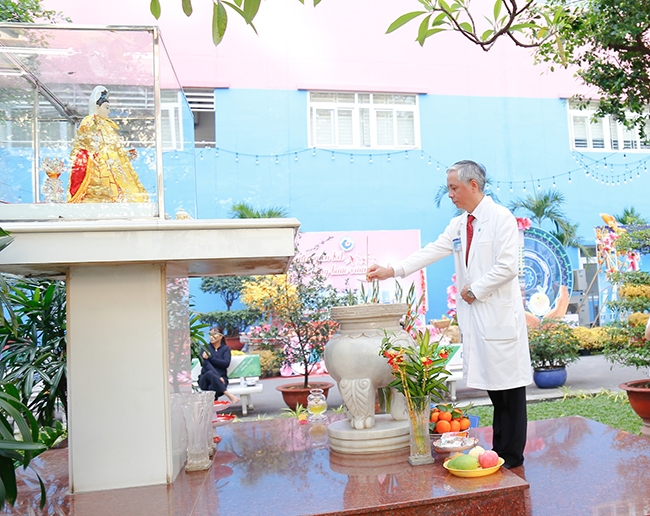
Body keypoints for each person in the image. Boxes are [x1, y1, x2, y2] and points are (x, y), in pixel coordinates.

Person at [367, 159, 532, 469]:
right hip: (479, 320)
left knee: (510, 391)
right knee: (496, 391)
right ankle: (499, 452)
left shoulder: (501, 218)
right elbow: (431, 251)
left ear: (473, 185)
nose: (451, 195)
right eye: (449, 189)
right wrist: (393, 270)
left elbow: (508, 266)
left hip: (498, 317)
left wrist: (475, 289)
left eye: (454, 188)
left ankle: (512, 456)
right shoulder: (459, 224)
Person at [67, 85, 149, 203]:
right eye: (106, 108)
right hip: (99, 164)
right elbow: (86, 139)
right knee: (102, 187)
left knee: (122, 188)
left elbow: (112, 148)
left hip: (112, 165)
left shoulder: (107, 126)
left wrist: (125, 156)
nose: (108, 111)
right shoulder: (90, 121)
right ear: (97, 107)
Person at [198, 326, 240, 405]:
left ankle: (212, 408)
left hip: (221, 381)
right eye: (210, 335)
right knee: (210, 373)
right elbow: (205, 364)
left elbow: (225, 364)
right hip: (205, 381)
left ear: (221, 336)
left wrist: (210, 357)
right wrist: (218, 377)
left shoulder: (226, 349)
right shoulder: (205, 348)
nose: (211, 337)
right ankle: (229, 395)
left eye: (214, 334)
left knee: (212, 388)